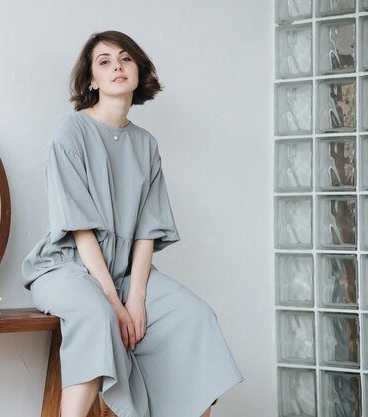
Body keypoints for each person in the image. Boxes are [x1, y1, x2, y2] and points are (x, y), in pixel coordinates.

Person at [22, 31, 243, 417]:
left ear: (138, 70)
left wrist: (136, 299)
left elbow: (147, 230)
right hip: (67, 267)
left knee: (195, 317)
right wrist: (114, 302)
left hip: (127, 271)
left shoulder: (146, 144)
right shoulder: (69, 132)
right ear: (91, 80)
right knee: (96, 316)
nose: (117, 67)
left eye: (125, 59)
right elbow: (80, 229)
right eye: (104, 61)